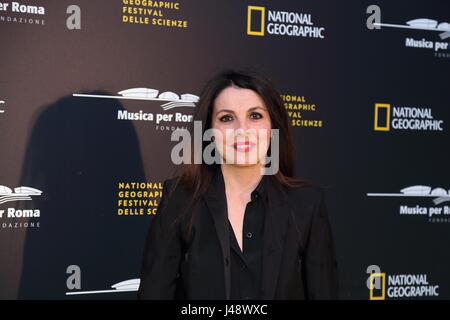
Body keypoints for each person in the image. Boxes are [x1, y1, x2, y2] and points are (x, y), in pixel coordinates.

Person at [137, 69, 338, 300]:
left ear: (273, 126)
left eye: (255, 116)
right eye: (227, 118)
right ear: (210, 132)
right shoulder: (180, 200)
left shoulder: (306, 204)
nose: (242, 131)